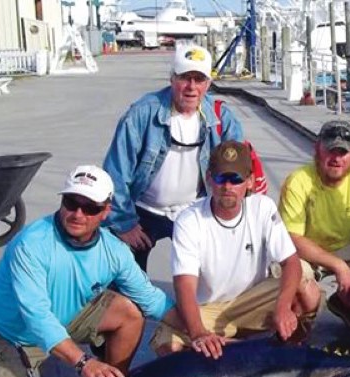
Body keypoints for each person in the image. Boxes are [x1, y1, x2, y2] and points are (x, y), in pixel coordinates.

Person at [0, 166, 175, 377]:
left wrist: (199, 332)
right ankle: (23, 362)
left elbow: (153, 300)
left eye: (90, 208)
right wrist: (82, 362)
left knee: (130, 312)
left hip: (63, 315)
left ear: (105, 211)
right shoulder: (31, 244)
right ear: (62, 201)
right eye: (71, 202)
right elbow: (36, 316)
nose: (78, 213)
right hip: (7, 331)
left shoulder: (114, 251)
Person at [151, 141, 322, 358]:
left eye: (236, 179)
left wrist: (283, 306)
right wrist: (198, 332)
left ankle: (292, 353)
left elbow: (291, 262)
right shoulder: (189, 220)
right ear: (210, 179)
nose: (228, 187)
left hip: (253, 298)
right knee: (167, 346)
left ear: (250, 181)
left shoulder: (263, 207)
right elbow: (184, 284)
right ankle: (238, 349)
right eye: (221, 178)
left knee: (307, 283)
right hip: (211, 309)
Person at [102, 45, 244, 271]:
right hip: (143, 210)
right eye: (184, 78)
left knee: (209, 278)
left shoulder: (222, 118)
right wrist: (123, 224)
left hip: (194, 210)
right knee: (125, 282)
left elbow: (237, 174)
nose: (191, 87)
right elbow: (115, 173)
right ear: (172, 78)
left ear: (208, 84)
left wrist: (226, 217)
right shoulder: (141, 114)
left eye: (199, 79)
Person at [279, 120, 350, 332]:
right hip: (305, 253)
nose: (336, 158)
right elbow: (291, 238)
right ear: (317, 150)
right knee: (299, 279)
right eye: (330, 151)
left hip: (342, 247)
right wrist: (339, 266)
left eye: (343, 152)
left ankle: (344, 302)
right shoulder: (298, 181)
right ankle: (303, 324)